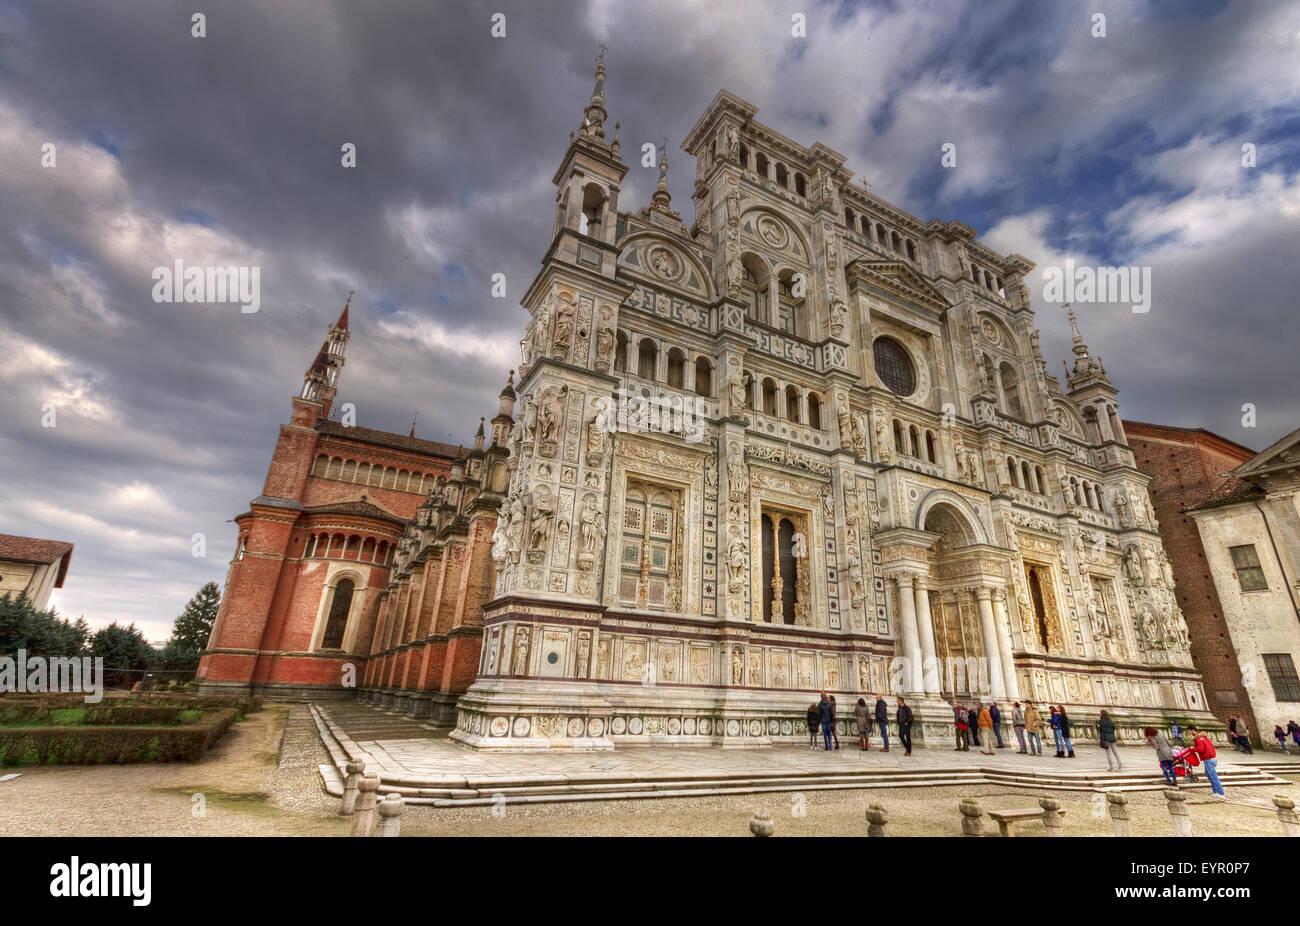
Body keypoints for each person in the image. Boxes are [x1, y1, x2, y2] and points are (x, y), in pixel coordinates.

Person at [1187, 725, 1223, 797]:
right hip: (1212, 758)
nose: (1189, 733)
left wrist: (1192, 748)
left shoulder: (1197, 738)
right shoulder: (1203, 737)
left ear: (1192, 730)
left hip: (1208, 759)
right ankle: (1215, 791)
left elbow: (1201, 749)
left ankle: (1220, 793)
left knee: (1213, 776)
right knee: (1209, 775)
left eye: (1189, 731)